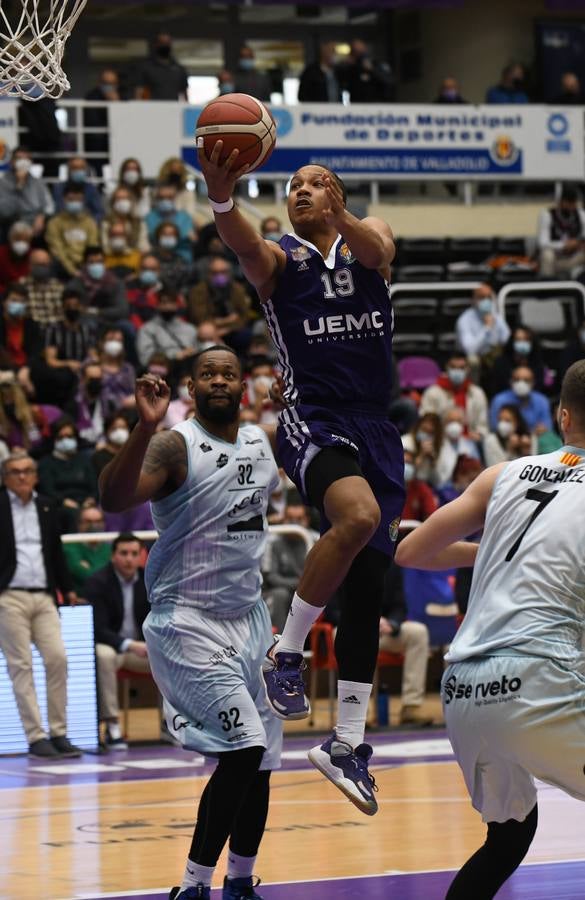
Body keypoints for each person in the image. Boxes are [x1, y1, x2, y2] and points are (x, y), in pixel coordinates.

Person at [197, 147, 405, 815]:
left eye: (315, 184)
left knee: (369, 587)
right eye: (293, 186)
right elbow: (243, 244)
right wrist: (222, 198)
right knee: (358, 518)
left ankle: (345, 742)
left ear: (338, 195)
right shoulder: (279, 262)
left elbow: (374, 247)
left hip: (377, 426)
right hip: (311, 418)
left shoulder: (368, 238)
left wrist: (343, 211)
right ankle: (284, 656)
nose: (301, 192)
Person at [395, 359, 585, 900]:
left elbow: (411, 551)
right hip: (537, 673)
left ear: (562, 415)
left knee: (508, 837)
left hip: (463, 690)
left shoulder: (503, 473)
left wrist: (503, 555)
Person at [99, 346, 282, 899]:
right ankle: (191, 886)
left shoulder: (259, 440)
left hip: (249, 617)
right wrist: (142, 426)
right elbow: (112, 497)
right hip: (188, 620)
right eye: (208, 374)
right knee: (244, 748)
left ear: (243, 385)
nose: (219, 380)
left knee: (265, 761)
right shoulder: (173, 445)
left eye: (229, 373)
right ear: (191, 388)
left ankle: (242, 882)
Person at [0, 451, 81, 758]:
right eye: (15, 472)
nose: (22, 476)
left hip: (45, 594)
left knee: (58, 659)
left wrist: (67, 588)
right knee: (21, 666)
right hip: (9, 595)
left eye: (26, 471)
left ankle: (59, 732)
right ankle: (36, 736)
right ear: (5, 478)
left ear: (35, 475)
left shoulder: (47, 505)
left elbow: (56, 550)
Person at [84, 533, 151, 751]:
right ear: (113, 556)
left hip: (141, 649)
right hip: (113, 646)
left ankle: (172, 723)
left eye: (134, 554)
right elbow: (97, 629)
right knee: (103, 655)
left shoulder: (149, 579)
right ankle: (112, 726)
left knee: (171, 655)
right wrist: (129, 644)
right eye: (124, 553)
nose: (129, 559)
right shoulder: (98, 582)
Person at [262, 500, 315, 632]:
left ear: (307, 520)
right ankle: (278, 642)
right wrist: (298, 584)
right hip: (284, 589)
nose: (294, 523)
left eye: (299, 519)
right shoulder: (273, 542)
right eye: (290, 519)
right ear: (283, 519)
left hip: (310, 590)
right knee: (280, 594)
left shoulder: (315, 540)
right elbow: (272, 578)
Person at [187, 256, 252, 354]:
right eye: (215, 273)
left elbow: (244, 316)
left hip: (231, 330)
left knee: (245, 335)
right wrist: (226, 320)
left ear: (229, 273)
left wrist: (226, 329)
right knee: (206, 333)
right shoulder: (198, 291)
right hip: (208, 331)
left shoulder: (237, 289)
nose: (219, 276)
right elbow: (199, 318)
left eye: (223, 272)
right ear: (208, 274)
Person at [419, 354, 488, 440]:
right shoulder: (432, 393)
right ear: (447, 368)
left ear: (468, 369)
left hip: (470, 441)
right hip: (439, 441)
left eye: (461, 368)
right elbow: (425, 423)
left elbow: (482, 425)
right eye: (453, 367)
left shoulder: (477, 393)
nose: (457, 371)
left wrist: (479, 435)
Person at [45, 183, 100, 278]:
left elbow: (92, 248)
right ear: (64, 200)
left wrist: (85, 269)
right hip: (62, 266)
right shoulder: (54, 223)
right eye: (71, 199)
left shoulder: (90, 222)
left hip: (85, 266)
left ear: (83, 201)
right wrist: (73, 271)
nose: (75, 202)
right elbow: (58, 250)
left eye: (78, 199)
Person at [136, 288, 198, 371]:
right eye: (164, 302)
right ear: (157, 305)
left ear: (177, 305)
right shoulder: (147, 329)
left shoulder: (190, 328)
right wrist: (175, 356)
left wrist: (193, 352)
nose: (168, 306)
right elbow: (145, 358)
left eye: (171, 302)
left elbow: (198, 351)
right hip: (163, 371)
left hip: (189, 369)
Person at [0, 147, 54, 239]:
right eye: (19, 159)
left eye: (27, 159)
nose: (23, 162)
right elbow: (5, 212)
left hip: (36, 224)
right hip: (12, 224)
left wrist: (42, 216)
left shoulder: (38, 182)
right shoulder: (3, 183)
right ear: (12, 162)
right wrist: (19, 186)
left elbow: (49, 206)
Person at [456, 283, 510, 370]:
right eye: (481, 297)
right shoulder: (465, 319)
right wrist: (486, 328)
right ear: (473, 300)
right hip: (474, 356)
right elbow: (470, 350)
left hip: (493, 355)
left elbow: (507, 339)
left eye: (489, 297)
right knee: (473, 360)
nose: (486, 301)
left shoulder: (496, 316)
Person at [63, 501, 111, 594]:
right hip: (79, 602)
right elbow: (83, 574)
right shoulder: (69, 547)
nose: (94, 526)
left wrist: (88, 567)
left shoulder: (110, 548)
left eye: (98, 521)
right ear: (79, 524)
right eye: (88, 522)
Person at [537, 184, 585, 278]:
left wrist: (578, 243)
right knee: (547, 254)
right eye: (568, 202)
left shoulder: (580, 214)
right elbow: (542, 242)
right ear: (561, 201)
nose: (571, 206)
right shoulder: (547, 214)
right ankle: (548, 285)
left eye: (573, 203)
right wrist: (563, 245)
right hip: (555, 258)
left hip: (573, 257)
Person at [489, 365, 553, 433]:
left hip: (534, 439)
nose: (521, 383)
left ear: (533, 382)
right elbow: (494, 427)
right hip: (505, 439)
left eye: (526, 380)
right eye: (517, 380)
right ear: (511, 381)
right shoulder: (499, 400)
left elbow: (547, 428)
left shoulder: (542, 401)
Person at [135, 32, 188, 101]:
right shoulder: (146, 68)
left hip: (174, 107)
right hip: (152, 107)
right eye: (162, 43)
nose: (165, 45)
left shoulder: (179, 69)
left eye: (167, 43)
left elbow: (184, 92)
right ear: (156, 45)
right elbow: (139, 90)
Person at [19, 247, 64, 329]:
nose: (41, 268)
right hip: (31, 332)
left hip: (54, 332)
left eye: (44, 265)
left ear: (49, 265)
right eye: (37, 265)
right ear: (30, 265)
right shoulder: (21, 285)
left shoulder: (59, 286)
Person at [340, 39, 394, 103]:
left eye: (360, 52)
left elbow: (389, 81)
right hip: (355, 104)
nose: (358, 55)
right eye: (355, 51)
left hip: (375, 103)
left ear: (365, 50)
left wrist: (371, 69)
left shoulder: (375, 64)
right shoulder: (350, 68)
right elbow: (344, 87)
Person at [53, 156, 104, 222]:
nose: (79, 171)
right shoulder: (59, 188)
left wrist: (88, 224)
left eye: (82, 168)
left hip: (87, 226)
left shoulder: (92, 190)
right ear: (69, 170)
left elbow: (99, 212)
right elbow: (58, 211)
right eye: (75, 168)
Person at [0, 220, 32, 290]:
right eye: (18, 239)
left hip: (24, 292)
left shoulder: (31, 255)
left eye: (25, 240)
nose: (21, 243)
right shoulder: (1, 253)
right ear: (10, 239)